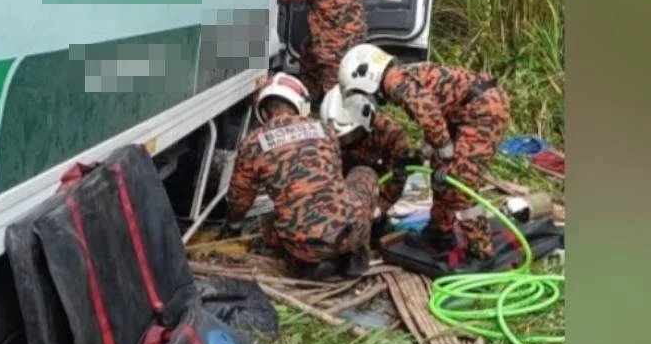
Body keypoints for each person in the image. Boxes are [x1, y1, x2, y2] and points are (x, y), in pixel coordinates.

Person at [336, 44, 511, 263]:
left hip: (483, 110)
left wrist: (446, 158)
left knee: (459, 183)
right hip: (465, 111)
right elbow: (437, 113)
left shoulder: (395, 82)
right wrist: (425, 153)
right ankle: (440, 232)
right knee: (439, 176)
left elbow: (429, 115)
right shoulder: (400, 76)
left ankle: (481, 251)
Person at [219, 72, 379, 279]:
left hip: (304, 245)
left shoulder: (253, 143)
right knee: (363, 173)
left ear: (264, 113)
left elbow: (240, 199)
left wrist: (232, 227)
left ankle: (310, 263)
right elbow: (335, 181)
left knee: (268, 224)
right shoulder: (325, 130)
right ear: (300, 104)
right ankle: (353, 253)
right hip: (351, 231)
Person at [319, 86, 421, 246]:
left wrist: (380, 208)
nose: (345, 141)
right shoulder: (326, 138)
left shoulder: (390, 134)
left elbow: (397, 179)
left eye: (350, 135)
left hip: (375, 193)